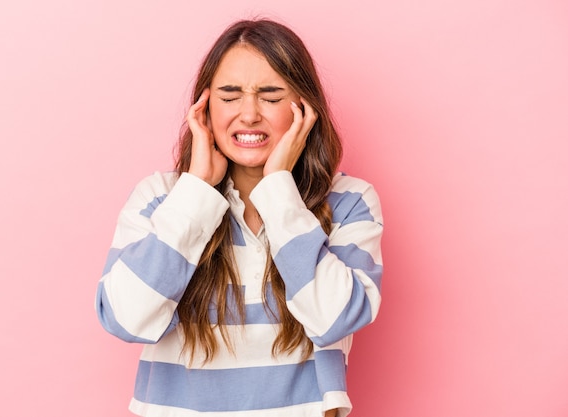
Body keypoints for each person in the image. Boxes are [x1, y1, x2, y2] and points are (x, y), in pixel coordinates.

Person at [96, 18, 383, 417]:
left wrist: (279, 188)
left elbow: (335, 319)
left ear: (304, 107)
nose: (248, 114)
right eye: (230, 96)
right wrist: (196, 192)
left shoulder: (349, 201)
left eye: (270, 95)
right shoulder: (161, 199)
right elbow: (125, 319)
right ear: (205, 107)